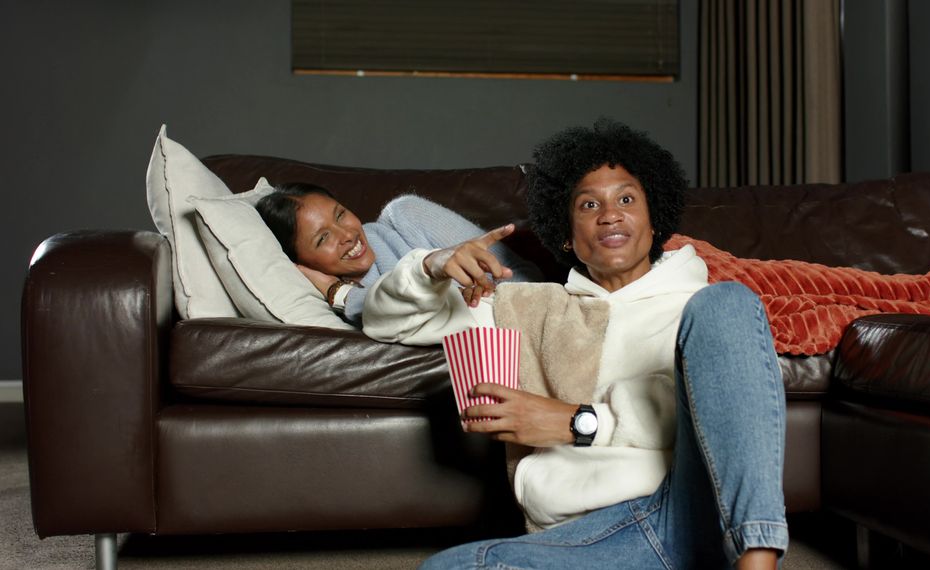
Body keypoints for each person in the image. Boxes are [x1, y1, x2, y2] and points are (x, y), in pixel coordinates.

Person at [362, 119, 788, 569]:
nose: (610, 214)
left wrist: (578, 423)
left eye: (626, 198)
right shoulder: (523, 309)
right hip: (586, 539)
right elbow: (387, 323)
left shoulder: (702, 310)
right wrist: (432, 265)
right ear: (566, 233)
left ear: (652, 217)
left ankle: (757, 561)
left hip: (692, 512)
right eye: (589, 204)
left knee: (728, 301)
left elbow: (748, 413)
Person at [255, 183, 542, 326]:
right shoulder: (327, 302)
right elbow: (388, 310)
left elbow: (528, 278)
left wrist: (489, 297)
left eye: (341, 214)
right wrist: (340, 294)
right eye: (323, 238)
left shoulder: (405, 216)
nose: (347, 235)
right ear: (300, 260)